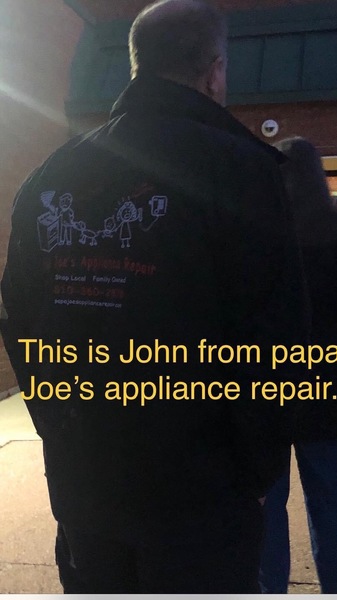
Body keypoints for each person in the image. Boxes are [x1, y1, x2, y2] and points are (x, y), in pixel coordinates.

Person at [0, 0, 309, 593]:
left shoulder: (51, 176)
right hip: (201, 498)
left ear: (136, 63)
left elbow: (21, 321)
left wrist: (60, 427)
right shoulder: (244, 171)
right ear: (214, 71)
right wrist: (257, 467)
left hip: (87, 484)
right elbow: (275, 335)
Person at [259, 137, 337, 594]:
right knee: (331, 504)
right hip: (328, 385)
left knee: (268, 507)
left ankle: (271, 590)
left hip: (272, 388)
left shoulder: (262, 238)